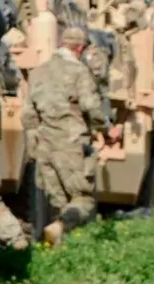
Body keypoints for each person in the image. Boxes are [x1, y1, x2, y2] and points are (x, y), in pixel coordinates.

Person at [26, 26, 114, 246]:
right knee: (83, 199)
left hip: (44, 145)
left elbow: (28, 115)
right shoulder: (79, 72)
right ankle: (60, 229)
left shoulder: (37, 72)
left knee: (58, 203)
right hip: (71, 143)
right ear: (81, 48)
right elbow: (91, 107)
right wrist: (106, 128)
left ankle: (59, 251)